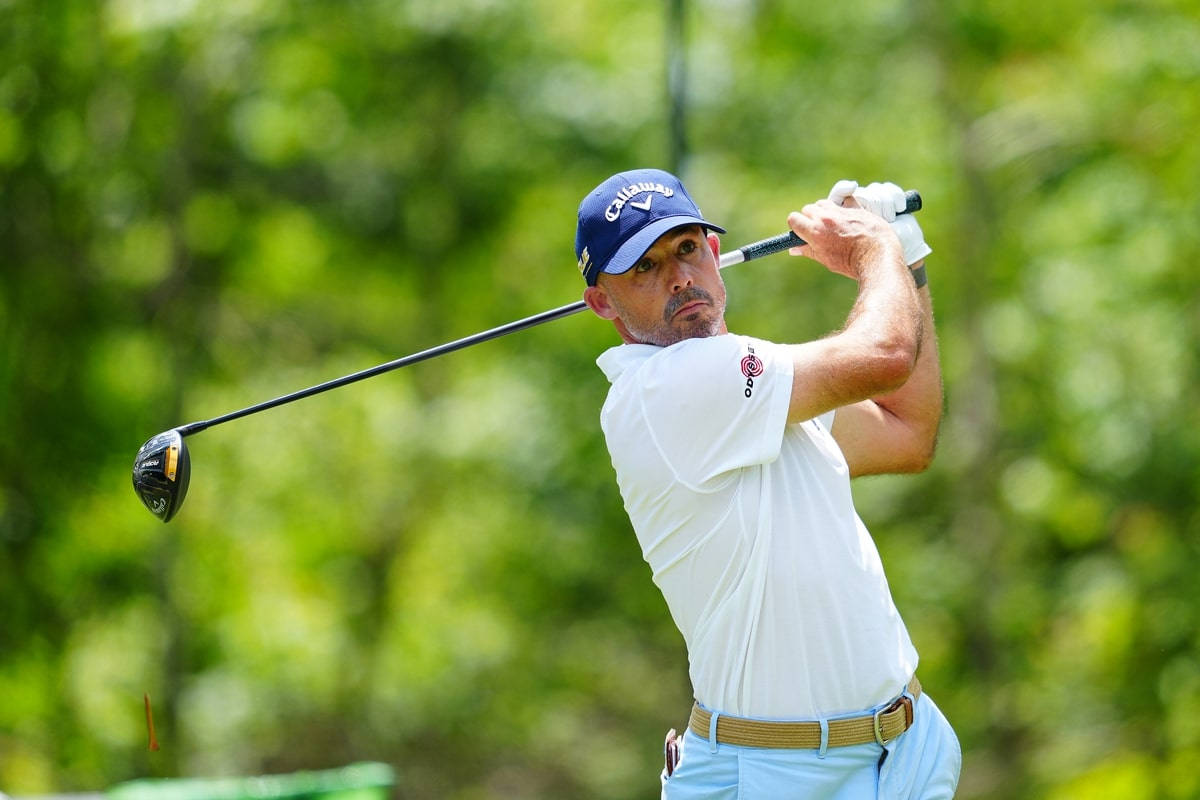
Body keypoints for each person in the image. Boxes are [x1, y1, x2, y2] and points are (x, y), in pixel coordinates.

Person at [574, 168, 960, 799]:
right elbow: (887, 354)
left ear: (716, 253)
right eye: (644, 268)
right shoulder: (663, 390)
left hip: (905, 751)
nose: (679, 278)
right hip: (779, 774)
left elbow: (906, 431)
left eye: (687, 249)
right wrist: (875, 247)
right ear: (602, 304)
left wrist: (907, 259)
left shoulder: (760, 388)